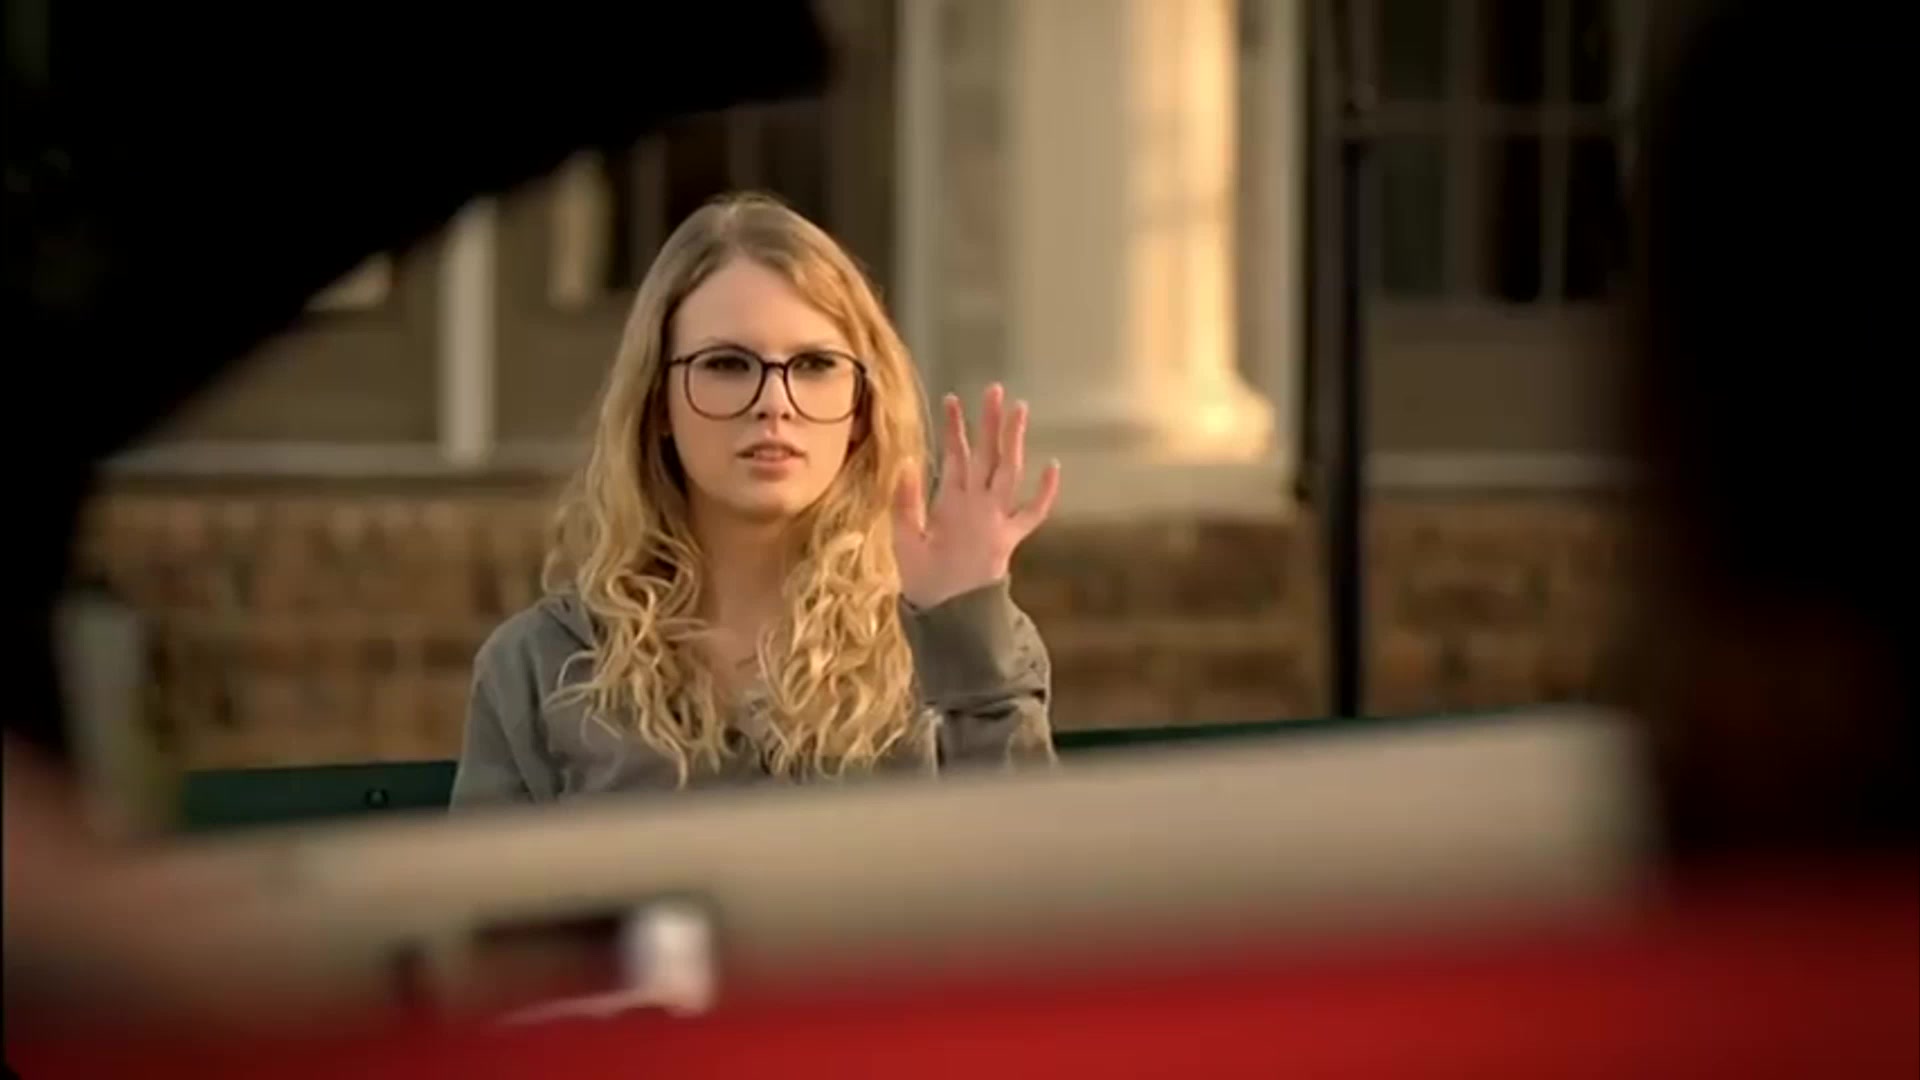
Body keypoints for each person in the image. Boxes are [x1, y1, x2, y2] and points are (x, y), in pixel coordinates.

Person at [451, 194, 1061, 806]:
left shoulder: (950, 635)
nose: (775, 403)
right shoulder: (541, 667)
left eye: (815, 364)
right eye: (727, 364)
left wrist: (968, 643)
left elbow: (1030, 857)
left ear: (862, 407)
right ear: (658, 401)